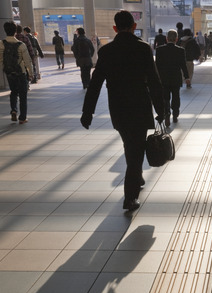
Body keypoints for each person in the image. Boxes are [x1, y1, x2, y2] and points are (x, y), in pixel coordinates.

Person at [81, 10, 165, 212]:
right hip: (139, 106)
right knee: (134, 151)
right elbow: (154, 81)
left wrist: (87, 112)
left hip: (118, 108)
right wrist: (161, 109)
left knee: (131, 145)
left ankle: (136, 176)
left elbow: (95, 84)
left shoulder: (106, 51)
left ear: (115, 28)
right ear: (134, 26)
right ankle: (130, 198)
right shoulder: (143, 49)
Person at [0, 21, 33, 124]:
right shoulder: (21, 44)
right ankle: (22, 118)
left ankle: (13, 109)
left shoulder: (0, 43)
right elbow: (27, 60)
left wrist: (5, 67)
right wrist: (30, 73)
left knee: (13, 91)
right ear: (15, 31)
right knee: (23, 95)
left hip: (9, 72)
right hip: (20, 72)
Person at [156, 29, 190, 126]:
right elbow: (183, 65)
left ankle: (167, 114)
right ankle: (175, 114)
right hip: (176, 78)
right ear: (176, 39)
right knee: (176, 96)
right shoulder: (180, 50)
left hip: (164, 78)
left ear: (166, 38)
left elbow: (157, 66)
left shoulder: (159, 50)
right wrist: (187, 77)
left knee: (165, 97)